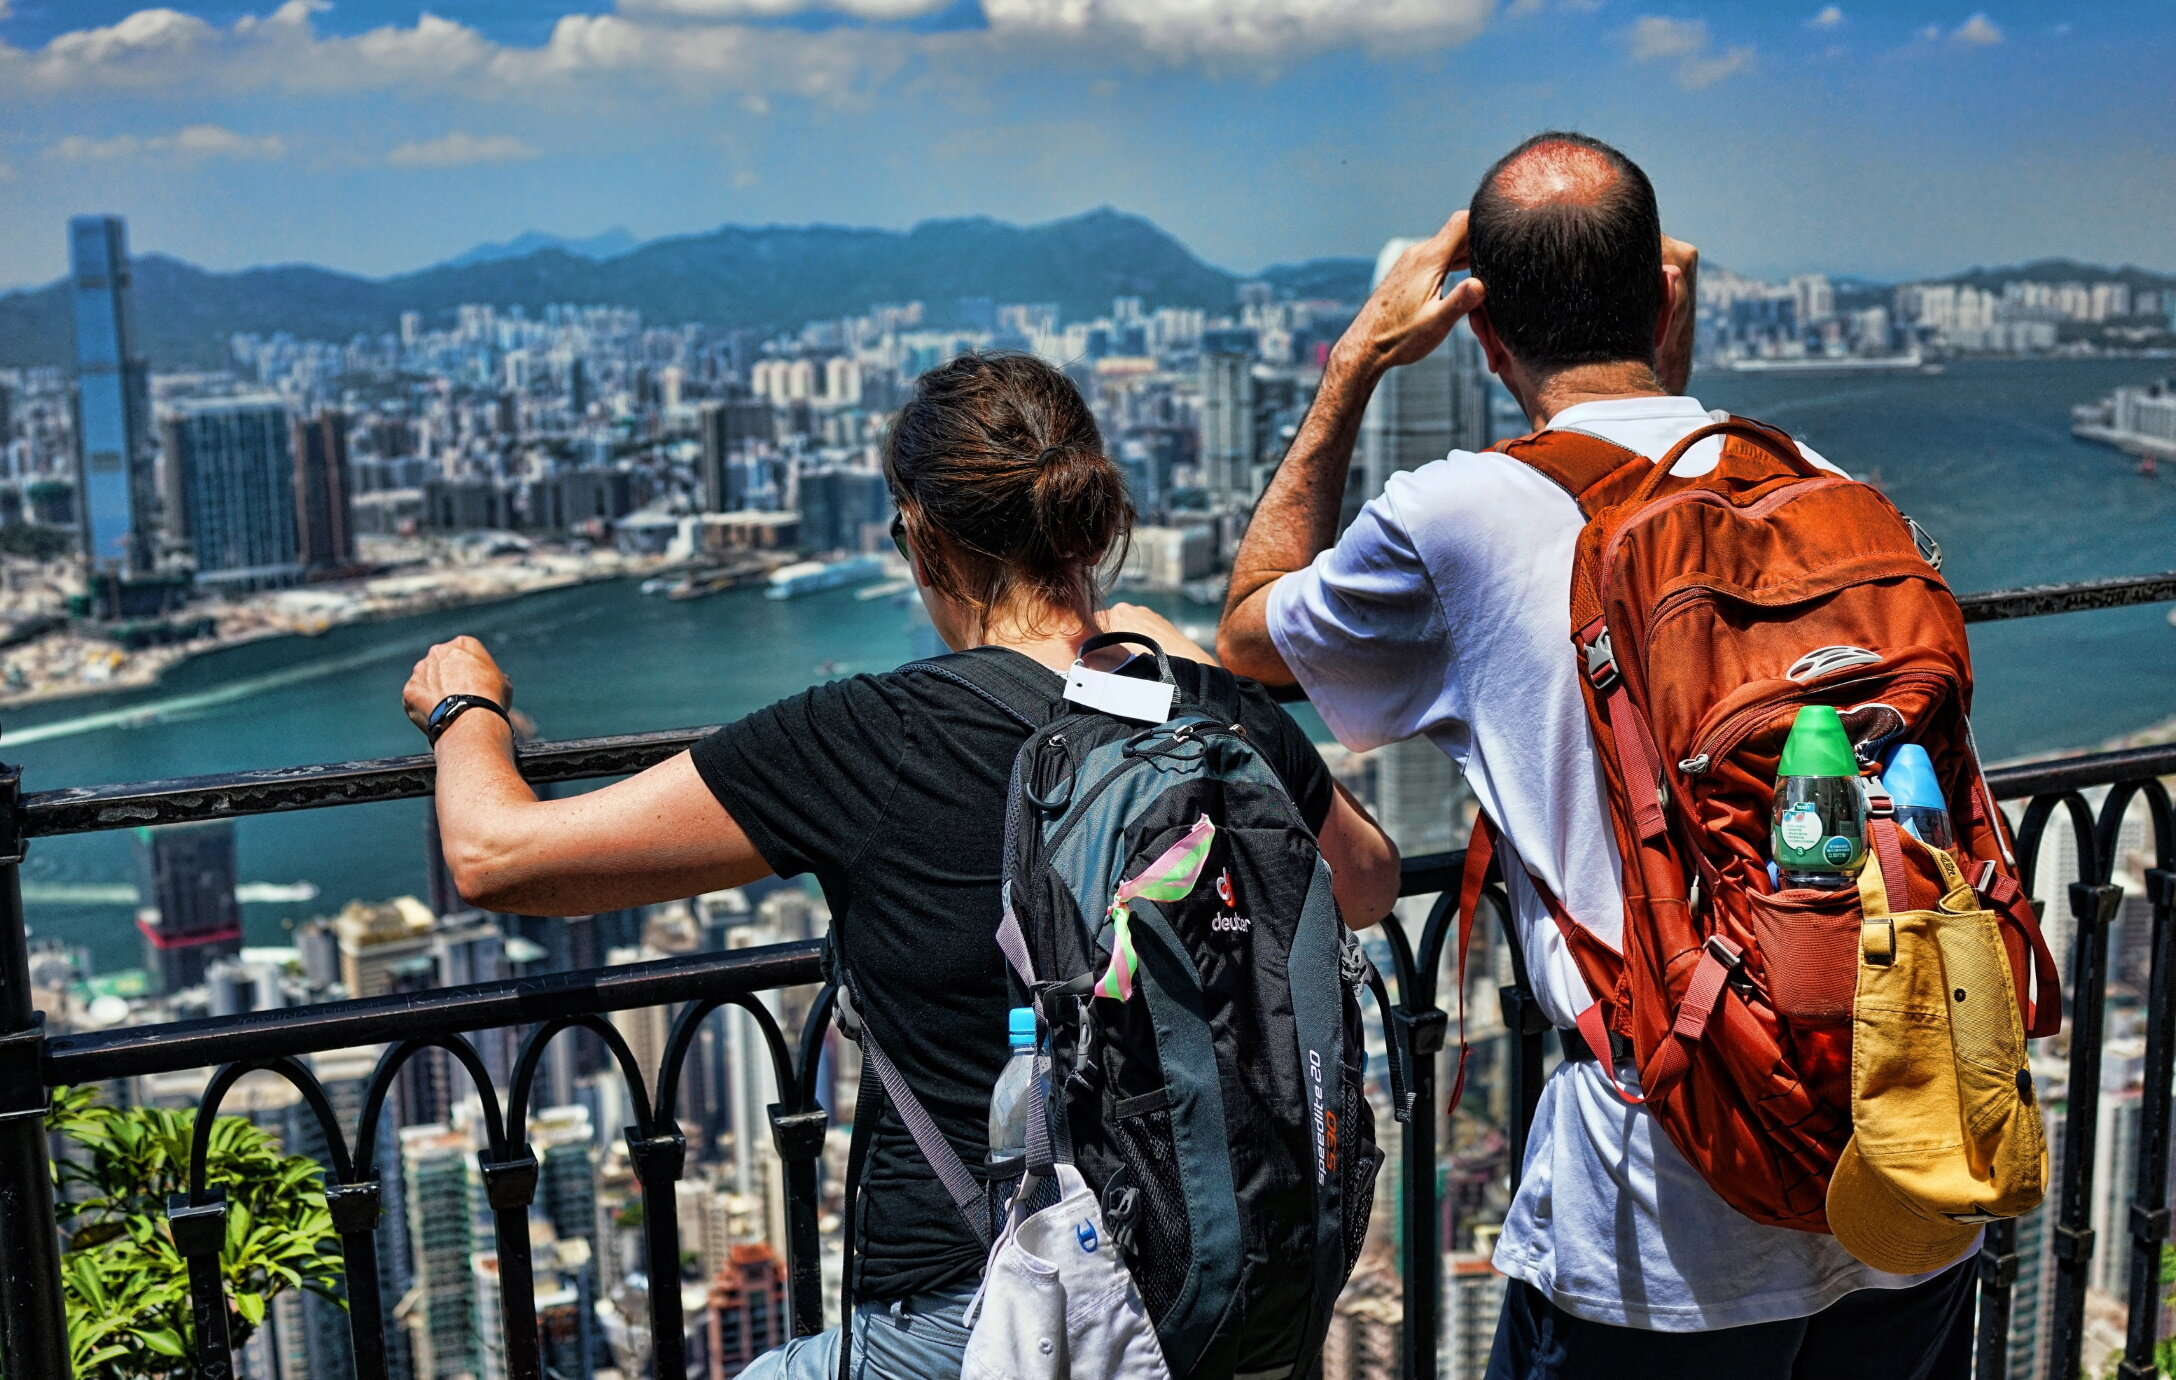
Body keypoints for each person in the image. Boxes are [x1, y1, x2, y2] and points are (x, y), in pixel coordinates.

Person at [402, 351, 1402, 1379]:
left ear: (922, 540)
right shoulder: (1210, 716)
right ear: (1096, 526)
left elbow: (498, 857)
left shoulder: (877, 736)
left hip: (973, 1321)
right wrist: (1173, 662)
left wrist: (464, 708)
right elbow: (1365, 882)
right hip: (1216, 1291)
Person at [1217, 131, 1976, 1379]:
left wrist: (1354, 357)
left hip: (1668, 1211)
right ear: (1666, 298)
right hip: (1911, 1157)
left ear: (1479, 334)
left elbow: (1251, 632)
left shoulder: (1458, 516)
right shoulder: (1833, 485)